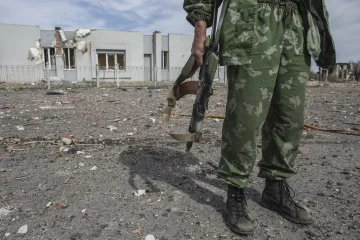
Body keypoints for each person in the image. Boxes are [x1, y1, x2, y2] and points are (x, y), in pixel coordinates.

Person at [183, 0, 335, 235]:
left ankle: (275, 189)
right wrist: (200, 29)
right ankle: (235, 191)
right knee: (245, 117)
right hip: (252, 18)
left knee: (289, 116)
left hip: (295, 22)